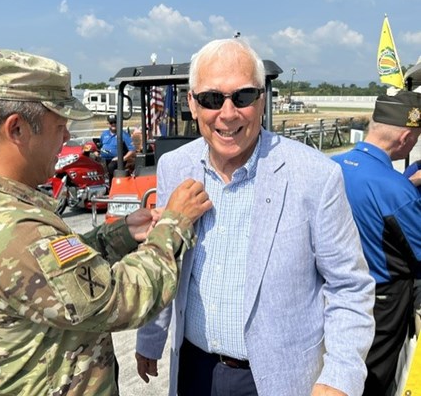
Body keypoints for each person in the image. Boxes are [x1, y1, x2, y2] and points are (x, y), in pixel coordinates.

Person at [0, 48, 212, 396]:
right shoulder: (13, 230)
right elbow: (122, 299)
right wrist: (174, 224)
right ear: (16, 128)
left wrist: (119, 236)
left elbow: (57, 270)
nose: (66, 139)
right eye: (59, 126)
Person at [135, 38, 376, 396]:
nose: (228, 114)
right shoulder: (176, 166)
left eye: (243, 97)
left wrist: (339, 375)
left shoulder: (314, 175)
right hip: (193, 369)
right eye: (212, 99)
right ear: (192, 103)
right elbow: (166, 261)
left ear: (261, 99)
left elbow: (350, 286)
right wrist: (151, 337)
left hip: (275, 378)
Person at [331, 91, 421, 396]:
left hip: (332, 292)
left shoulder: (331, 166)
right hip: (381, 303)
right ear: (406, 137)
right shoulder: (396, 190)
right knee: (375, 381)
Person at [99, 113, 136, 182]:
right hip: (104, 159)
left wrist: (122, 159)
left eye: (115, 122)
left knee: (111, 167)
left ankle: (112, 186)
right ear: (108, 123)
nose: (113, 124)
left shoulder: (123, 134)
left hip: (117, 160)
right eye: (111, 122)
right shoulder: (104, 134)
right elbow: (100, 145)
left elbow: (132, 149)